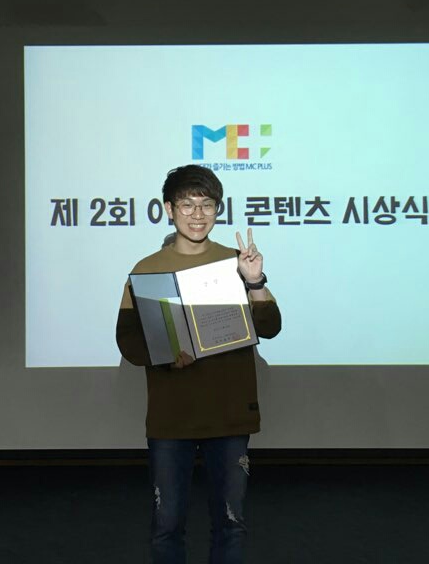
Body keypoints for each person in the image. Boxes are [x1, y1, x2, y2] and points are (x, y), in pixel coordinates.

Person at [116, 164, 282, 564]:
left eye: (207, 205)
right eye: (187, 204)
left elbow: (271, 327)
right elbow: (128, 340)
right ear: (168, 209)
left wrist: (255, 281)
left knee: (231, 524)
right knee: (166, 525)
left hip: (229, 414)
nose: (198, 214)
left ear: (218, 210)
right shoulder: (146, 269)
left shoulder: (237, 263)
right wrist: (165, 355)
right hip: (171, 418)